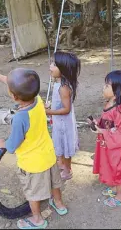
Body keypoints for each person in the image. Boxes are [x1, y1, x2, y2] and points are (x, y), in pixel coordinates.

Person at [0, 68, 67, 229]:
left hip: (33, 164)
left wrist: (2, 143)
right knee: (54, 183)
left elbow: (12, 145)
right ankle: (60, 205)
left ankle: (37, 220)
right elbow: (16, 84)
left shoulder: (20, 118)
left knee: (32, 193)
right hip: (49, 155)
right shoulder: (37, 99)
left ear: (14, 96)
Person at [88, 70, 121, 207]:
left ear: (117, 93)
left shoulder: (119, 111)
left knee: (118, 169)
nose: (104, 87)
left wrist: (102, 131)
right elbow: (107, 122)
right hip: (109, 146)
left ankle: (120, 197)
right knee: (111, 166)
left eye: (107, 85)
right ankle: (115, 188)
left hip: (118, 149)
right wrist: (97, 123)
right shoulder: (110, 105)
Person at [45, 51, 80, 180]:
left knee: (65, 145)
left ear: (63, 69)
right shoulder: (59, 84)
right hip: (60, 122)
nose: (50, 67)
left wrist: (48, 112)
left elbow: (66, 109)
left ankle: (67, 170)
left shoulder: (63, 87)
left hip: (64, 123)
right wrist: (51, 105)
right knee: (61, 144)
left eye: (54, 64)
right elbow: (60, 103)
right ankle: (63, 166)